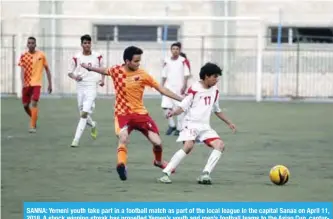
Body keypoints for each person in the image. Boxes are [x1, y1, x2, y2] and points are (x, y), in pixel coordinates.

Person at [80, 46, 183, 181]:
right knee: (123, 138)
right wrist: (90, 68)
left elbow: (162, 89)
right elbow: (104, 70)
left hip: (141, 115)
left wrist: (183, 99)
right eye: (136, 61)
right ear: (127, 61)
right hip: (122, 115)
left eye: (139, 61)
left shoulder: (143, 74)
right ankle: (121, 165)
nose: (138, 63)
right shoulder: (116, 70)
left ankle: (158, 162)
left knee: (157, 143)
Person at [157, 62, 237, 185]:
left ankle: (205, 174)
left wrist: (229, 123)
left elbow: (217, 110)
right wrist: (173, 112)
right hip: (191, 124)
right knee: (188, 146)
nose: (217, 79)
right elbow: (183, 106)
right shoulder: (194, 89)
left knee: (220, 145)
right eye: (214, 76)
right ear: (206, 76)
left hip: (205, 127)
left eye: (218, 77)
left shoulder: (215, 91)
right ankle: (166, 173)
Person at [68, 34, 105, 147]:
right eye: (85, 43)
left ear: (91, 44)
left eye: (89, 43)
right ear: (81, 44)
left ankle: (76, 140)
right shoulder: (76, 57)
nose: (87, 45)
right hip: (81, 86)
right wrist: (75, 77)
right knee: (82, 112)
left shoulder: (98, 56)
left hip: (92, 87)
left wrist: (102, 80)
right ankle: (93, 125)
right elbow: (70, 72)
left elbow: (103, 70)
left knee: (84, 113)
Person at [18, 36, 52, 133]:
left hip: (37, 84)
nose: (31, 44)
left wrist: (50, 84)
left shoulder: (41, 55)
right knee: (25, 105)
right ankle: (34, 117)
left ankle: (32, 126)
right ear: (27, 44)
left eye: (33, 43)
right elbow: (22, 70)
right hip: (27, 84)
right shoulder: (24, 55)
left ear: (35, 44)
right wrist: (23, 82)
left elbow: (47, 70)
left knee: (34, 102)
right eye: (29, 43)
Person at [161, 42, 191, 136]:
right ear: (171, 50)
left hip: (179, 88)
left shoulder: (183, 60)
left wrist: (184, 85)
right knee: (165, 106)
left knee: (179, 107)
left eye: (177, 49)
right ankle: (172, 125)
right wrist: (161, 86)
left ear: (179, 50)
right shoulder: (167, 60)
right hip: (168, 88)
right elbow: (164, 74)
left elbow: (186, 74)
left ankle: (179, 128)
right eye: (173, 49)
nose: (175, 51)